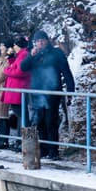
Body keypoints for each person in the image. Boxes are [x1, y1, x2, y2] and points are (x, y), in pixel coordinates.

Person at [20, 30, 76, 160]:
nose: (40, 43)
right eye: (38, 41)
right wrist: (30, 56)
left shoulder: (56, 53)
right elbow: (23, 68)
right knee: (39, 122)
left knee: (51, 121)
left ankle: (53, 150)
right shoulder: (34, 54)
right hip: (36, 92)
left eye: (42, 40)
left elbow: (66, 72)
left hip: (52, 92)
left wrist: (70, 91)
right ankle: (43, 149)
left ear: (47, 40)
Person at [2, 35, 31, 150]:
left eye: (14, 45)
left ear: (18, 45)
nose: (13, 47)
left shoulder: (24, 55)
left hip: (19, 90)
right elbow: (15, 65)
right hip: (16, 91)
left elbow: (20, 71)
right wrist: (10, 57)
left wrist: (6, 70)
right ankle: (20, 141)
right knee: (20, 116)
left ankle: (24, 141)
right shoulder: (21, 55)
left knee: (22, 116)